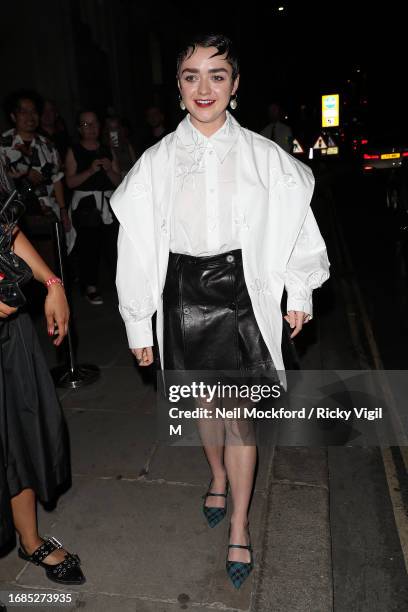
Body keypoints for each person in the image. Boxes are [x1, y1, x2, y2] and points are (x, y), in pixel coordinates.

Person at [111, 34, 330, 589]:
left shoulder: (264, 156)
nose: (203, 87)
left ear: (235, 86)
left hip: (242, 295)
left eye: (217, 75)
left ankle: (238, 524)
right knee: (205, 405)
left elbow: (299, 226)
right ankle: (214, 475)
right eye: (190, 75)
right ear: (179, 86)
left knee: (240, 416)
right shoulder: (156, 161)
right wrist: (139, 321)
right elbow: (135, 244)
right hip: (183, 292)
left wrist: (300, 292)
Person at [0, 156, 85, 584]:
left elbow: (5, 230)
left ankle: (30, 540)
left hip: (9, 329)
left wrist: (51, 282)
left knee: (22, 429)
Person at [0, 90, 73, 263]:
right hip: (14, 216)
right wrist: (23, 175)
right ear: (13, 116)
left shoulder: (46, 144)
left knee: (51, 261)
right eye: (23, 111)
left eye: (33, 111)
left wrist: (63, 210)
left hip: (46, 211)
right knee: (21, 264)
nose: (30, 116)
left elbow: (57, 178)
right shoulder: (3, 144)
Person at [65, 110, 121, 305]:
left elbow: (118, 181)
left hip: (108, 205)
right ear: (79, 128)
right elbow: (70, 182)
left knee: (113, 246)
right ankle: (90, 287)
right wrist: (90, 171)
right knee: (88, 247)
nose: (91, 128)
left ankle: (121, 285)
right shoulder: (74, 150)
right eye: (86, 125)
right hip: (86, 207)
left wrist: (108, 169)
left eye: (94, 124)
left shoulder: (107, 149)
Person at [39, 99, 70, 165]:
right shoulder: (35, 138)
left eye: (51, 110)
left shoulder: (64, 138)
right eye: (43, 110)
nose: (47, 114)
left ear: (56, 114)